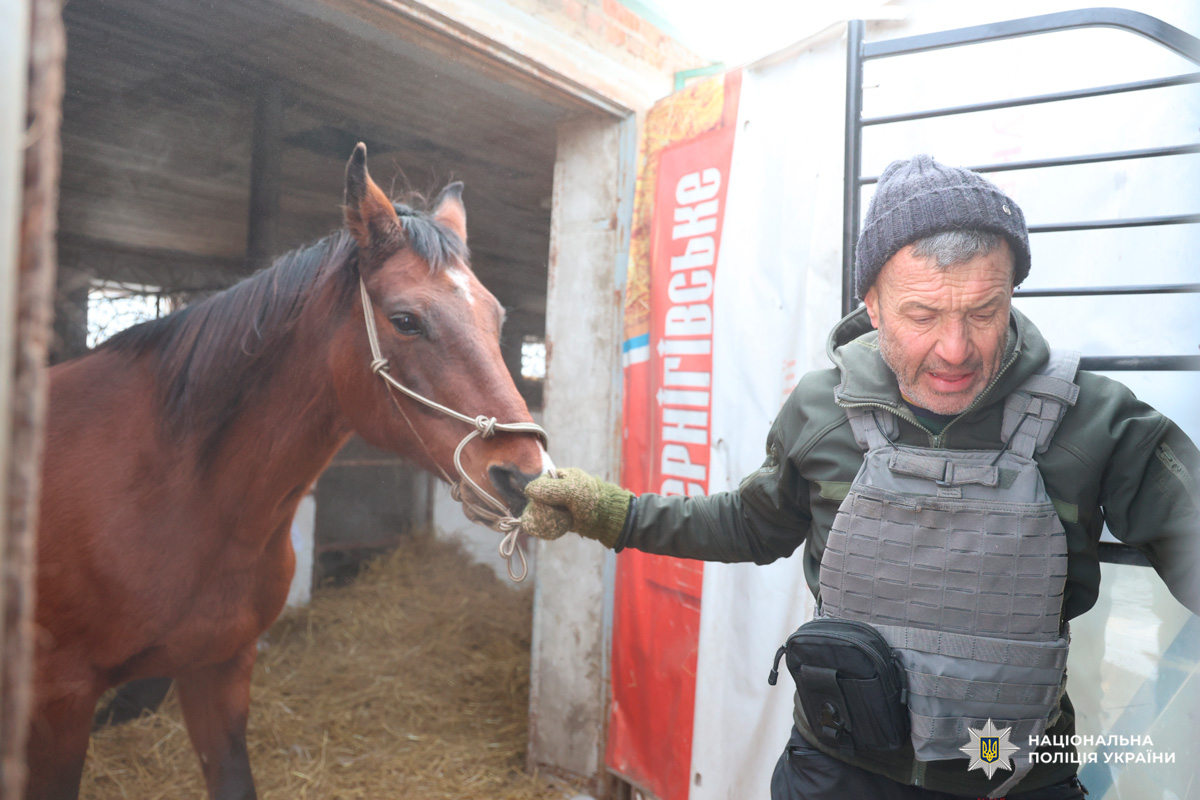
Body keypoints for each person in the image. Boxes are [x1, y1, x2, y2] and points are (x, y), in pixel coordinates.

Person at [519, 155, 1200, 799]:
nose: (955, 350)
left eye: (984, 312)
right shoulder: (822, 410)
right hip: (837, 770)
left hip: (1010, 777)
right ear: (871, 306)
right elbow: (748, 523)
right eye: (922, 315)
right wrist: (605, 511)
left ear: (1013, 293)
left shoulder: (1098, 422)